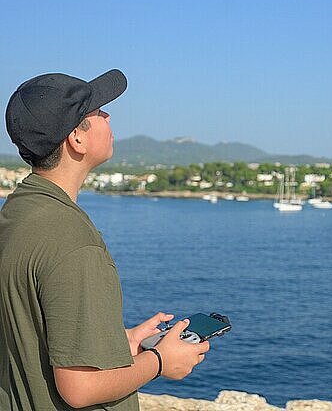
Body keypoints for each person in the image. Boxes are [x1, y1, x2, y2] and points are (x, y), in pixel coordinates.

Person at [0, 69, 209, 410]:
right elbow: (80, 389)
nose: (108, 115)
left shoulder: (17, 212)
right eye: (96, 112)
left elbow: (29, 330)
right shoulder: (74, 243)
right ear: (76, 139)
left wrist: (118, 342)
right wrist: (159, 360)